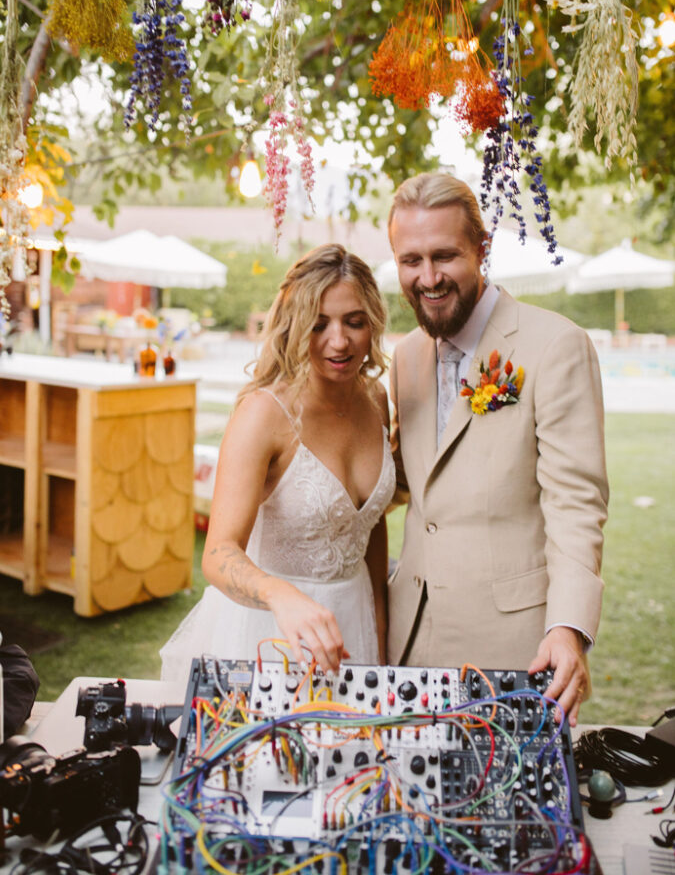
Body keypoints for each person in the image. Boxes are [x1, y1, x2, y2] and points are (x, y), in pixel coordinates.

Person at [386, 173, 608, 726]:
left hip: (512, 647)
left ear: (482, 250)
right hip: (406, 642)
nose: (428, 278)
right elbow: (414, 483)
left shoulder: (555, 345)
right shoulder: (405, 357)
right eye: (410, 261)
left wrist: (568, 627)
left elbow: (576, 505)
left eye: (445, 256)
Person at [160, 245, 394, 679]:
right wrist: (279, 595)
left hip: (354, 625)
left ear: (373, 322)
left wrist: (381, 628)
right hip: (268, 633)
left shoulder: (377, 400)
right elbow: (217, 553)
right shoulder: (264, 413)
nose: (339, 341)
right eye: (319, 324)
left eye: (354, 322)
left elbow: (370, 526)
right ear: (294, 325)